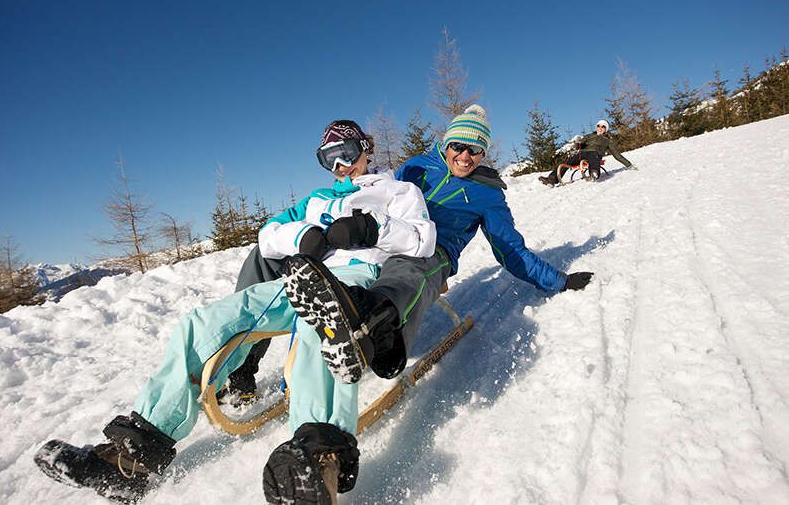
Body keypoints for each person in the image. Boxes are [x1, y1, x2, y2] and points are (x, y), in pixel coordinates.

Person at [33, 120, 436, 504]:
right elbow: (268, 233)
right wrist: (303, 235)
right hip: (303, 277)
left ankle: (318, 459)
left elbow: (423, 240)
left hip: (358, 280)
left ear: (365, 148)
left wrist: (373, 228)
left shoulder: (397, 192)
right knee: (201, 323)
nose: (339, 166)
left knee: (322, 326)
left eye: (346, 153)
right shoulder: (316, 200)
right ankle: (137, 455)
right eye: (328, 158)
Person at [266, 104, 594, 503]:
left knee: (412, 272)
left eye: (476, 150)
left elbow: (511, 251)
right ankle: (322, 348)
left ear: (484, 154)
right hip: (383, 247)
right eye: (458, 145)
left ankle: (371, 328)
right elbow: (378, 197)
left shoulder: (487, 196)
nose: (465, 156)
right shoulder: (418, 167)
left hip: (431, 255)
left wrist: (558, 281)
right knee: (322, 289)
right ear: (446, 142)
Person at [538, 119, 637, 186]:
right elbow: (579, 146)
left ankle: (594, 173)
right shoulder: (589, 136)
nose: (600, 128)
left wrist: (628, 165)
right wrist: (578, 142)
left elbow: (617, 155)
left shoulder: (607, 141)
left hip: (595, 154)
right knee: (566, 161)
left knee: (593, 156)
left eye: (603, 127)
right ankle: (552, 179)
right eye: (599, 126)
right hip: (582, 154)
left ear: (605, 130)